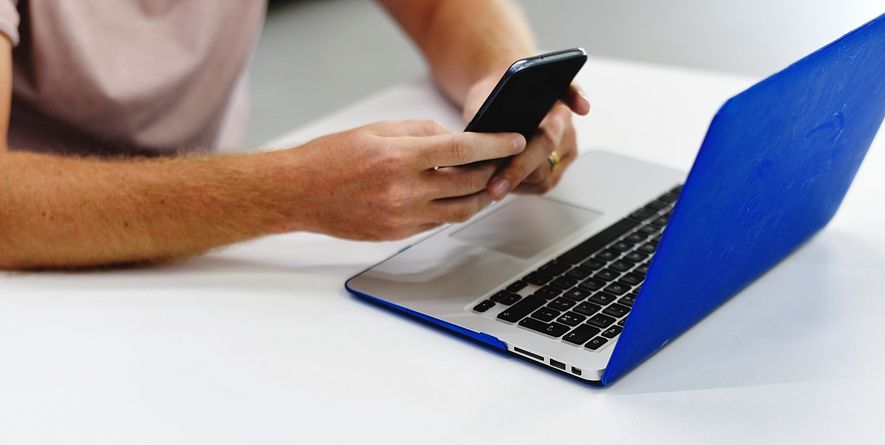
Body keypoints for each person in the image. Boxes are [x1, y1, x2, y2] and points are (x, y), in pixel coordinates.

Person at [0, 0, 589, 270]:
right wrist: (291, 192)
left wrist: (506, 75)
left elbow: (438, 8)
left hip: (210, 251)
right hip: (37, 275)